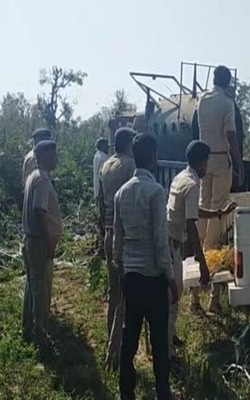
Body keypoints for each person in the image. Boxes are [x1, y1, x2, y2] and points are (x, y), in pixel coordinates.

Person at [114, 132, 178, 400]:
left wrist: (121, 271)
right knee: (159, 338)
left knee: (130, 332)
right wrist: (171, 277)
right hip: (153, 276)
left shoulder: (122, 193)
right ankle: (162, 390)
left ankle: (126, 389)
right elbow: (159, 241)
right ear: (153, 158)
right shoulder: (155, 191)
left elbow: (118, 240)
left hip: (131, 273)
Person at [166, 140, 237, 360]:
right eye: (206, 162)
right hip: (172, 243)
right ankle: (168, 351)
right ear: (201, 163)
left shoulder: (182, 177)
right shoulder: (194, 183)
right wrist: (203, 266)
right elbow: (190, 225)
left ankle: (170, 336)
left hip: (168, 238)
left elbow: (193, 211)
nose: (208, 166)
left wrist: (217, 213)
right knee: (174, 294)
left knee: (172, 295)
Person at [195, 65, 244, 313]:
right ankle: (214, 294)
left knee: (203, 212)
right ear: (228, 82)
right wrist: (239, 165)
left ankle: (195, 290)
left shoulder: (202, 99)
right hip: (221, 159)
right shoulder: (227, 103)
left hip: (203, 161)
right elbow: (232, 136)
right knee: (218, 214)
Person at [99, 127, 136, 370]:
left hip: (108, 233)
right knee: (125, 298)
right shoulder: (130, 165)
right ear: (128, 144)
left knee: (114, 294)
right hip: (122, 236)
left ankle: (109, 341)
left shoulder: (106, 165)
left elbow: (102, 202)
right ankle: (116, 354)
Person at [21, 140, 63, 349]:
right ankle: (40, 333)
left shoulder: (32, 177)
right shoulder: (42, 180)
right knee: (40, 289)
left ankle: (27, 327)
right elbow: (40, 211)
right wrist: (49, 241)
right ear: (44, 155)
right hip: (38, 242)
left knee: (32, 285)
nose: (56, 158)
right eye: (53, 154)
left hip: (31, 240)